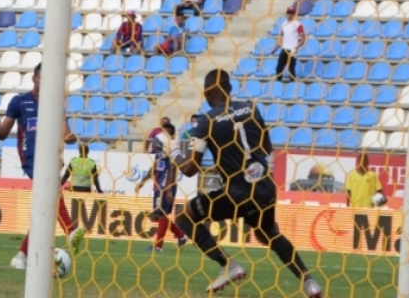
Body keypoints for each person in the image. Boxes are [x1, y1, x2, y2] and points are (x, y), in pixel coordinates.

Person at [172, 70, 324, 298]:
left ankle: (229, 265)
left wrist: (174, 152)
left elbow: (190, 169)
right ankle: (309, 282)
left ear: (207, 91)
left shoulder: (207, 120)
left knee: (185, 216)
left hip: (238, 194)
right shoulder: (251, 108)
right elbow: (266, 147)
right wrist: (231, 163)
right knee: (268, 234)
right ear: (229, 88)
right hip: (264, 188)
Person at [0, 64, 86, 269]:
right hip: (31, 159)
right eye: (43, 77)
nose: (46, 82)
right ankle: (70, 230)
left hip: (51, 158)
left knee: (45, 210)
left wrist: (70, 138)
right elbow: (4, 132)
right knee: (50, 196)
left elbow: (66, 133)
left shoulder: (56, 104)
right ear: (34, 78)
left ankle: (21, 255)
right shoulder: (19, 102)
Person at [135, 122, 188, 252]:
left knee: (161, 214)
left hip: (166, 187)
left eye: (167, 132)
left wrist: (169, 189)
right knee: (158, 216)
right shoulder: (159, 153)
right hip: (158, 187)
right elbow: (154, 169)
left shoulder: (172, 150)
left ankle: (158, 246)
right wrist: (142, 182)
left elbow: (173, 169)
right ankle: (181, 235)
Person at [276, 5, 305, 82]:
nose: (289, 15)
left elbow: (302, 38)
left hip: (292, 49)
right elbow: (282, 36)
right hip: (285, 48)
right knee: (279, 67)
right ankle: (278, 83)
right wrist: (277, 46)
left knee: (291, 68)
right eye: (288, 13)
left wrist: (297, 47)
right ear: (286, 13)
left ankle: (293, 84)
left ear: (294, 14)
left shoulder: (298, 24)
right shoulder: (283, 24)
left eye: (291, 13)